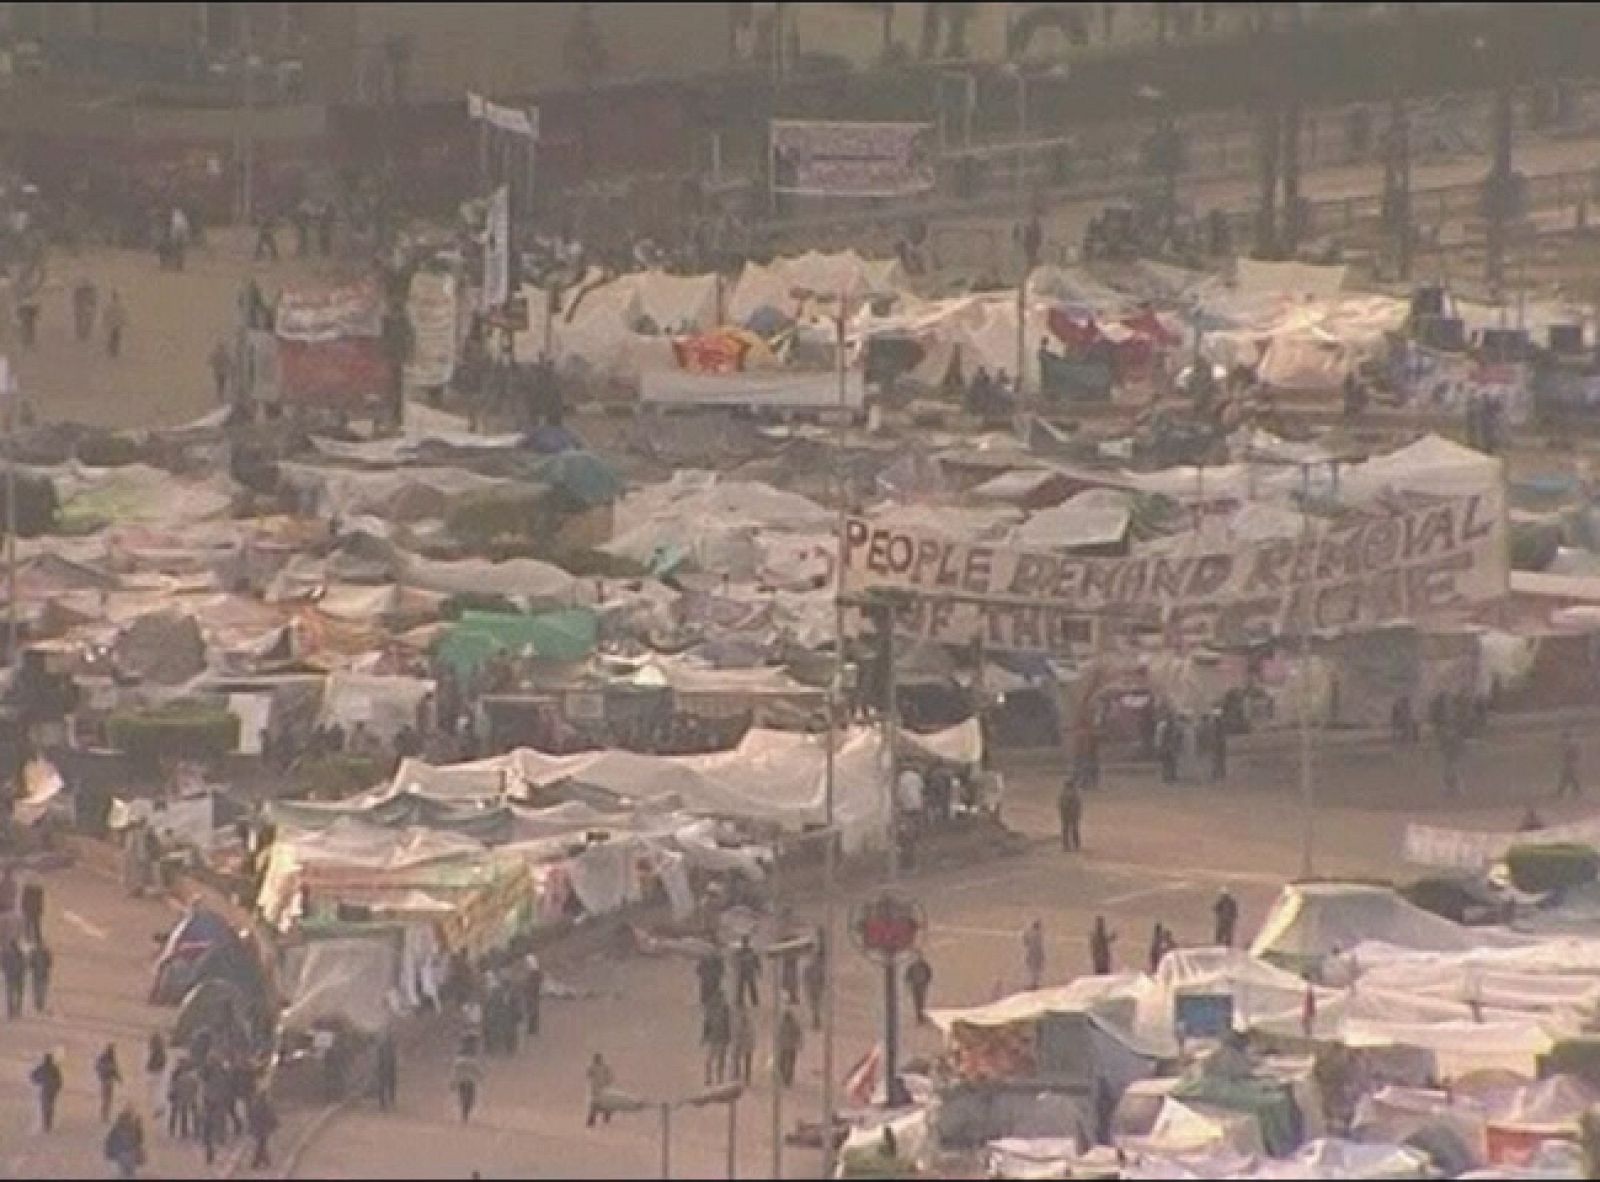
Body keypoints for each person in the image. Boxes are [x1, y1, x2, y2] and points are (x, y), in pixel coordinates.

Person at [105, 1104, 145, 1178]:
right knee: (129, 1173)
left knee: (125, 1172)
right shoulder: (133, 1126)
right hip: (130, 1153)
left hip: (122, 1154)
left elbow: (110, 1140)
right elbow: (140, 1139)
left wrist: (110, 1152)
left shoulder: (118, 1126)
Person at [702, 991, 731, 1086]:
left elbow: (728, 1024)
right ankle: (709, 1078)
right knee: (710, 1060)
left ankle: (719, 1079)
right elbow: (707, 1024)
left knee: (720, 1060)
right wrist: (704, 1037)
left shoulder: (725, 1009)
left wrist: (728, 1037)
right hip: (714, 1038)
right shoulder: (711, 1009)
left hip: (721, 1038)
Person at [451, 1038, 483, 1124]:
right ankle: (465, 1114)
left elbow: (455, 1073)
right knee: (470, 1099)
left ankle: (464, 1114)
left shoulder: (458, 1062)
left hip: (462, 1082)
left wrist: (453, 1082)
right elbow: (478, 1072)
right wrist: (481, 1079)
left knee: (463, 1098)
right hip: (469, 1082)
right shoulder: (472, 1062)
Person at [32, 1051, 63, 1132]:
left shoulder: (43, 1067)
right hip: (50, 1091)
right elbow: (59, 1080)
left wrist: (38, 1082)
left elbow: (33, 1076)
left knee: (45, 1107)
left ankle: (46, 1124)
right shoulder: (54, 1068)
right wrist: (56, 1088)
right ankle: (48, 1124)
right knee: (49, 1107)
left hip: (46, 1090)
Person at [168, 1059, 197, 1139]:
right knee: (175, 1112)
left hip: (183, 1095)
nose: (182, 1065)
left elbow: (194, 1087)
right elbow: (172, 1084)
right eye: (181, 1063)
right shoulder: (176, 1073)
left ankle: (182, 1131)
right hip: (177, 1095)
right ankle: (174, 1129)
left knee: (182, 1113)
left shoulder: (185, 1074)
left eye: (183, 1064)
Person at [247, 1089, 277, 1168]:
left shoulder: (255, 1106)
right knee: (261, 1145)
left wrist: (251, 1127)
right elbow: (271, 1117)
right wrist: (274, 1125)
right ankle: (261, 1162)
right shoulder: (266, 1106)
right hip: (263, 1129)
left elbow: (250, 1117)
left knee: (261, 1145)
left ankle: (259, 1162)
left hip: (258, 1128)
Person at [776, 1007, 804, 1088]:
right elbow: (778, 1034)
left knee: (790, 1064)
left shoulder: (794, 1024)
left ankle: (788, 1079)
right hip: (785, 1046)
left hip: (790, 1046)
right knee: (782, 1063)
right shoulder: (781, 1024)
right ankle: (785, 1077)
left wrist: (799, 1043)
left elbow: (799, 1034)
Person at [585, 1052, 614, 1127]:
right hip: (595, 1089)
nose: (597, 1060)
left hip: (603, 1088)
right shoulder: (592, 1066)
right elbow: (588, 1074)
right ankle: (591, 1120)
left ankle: (607, 1115)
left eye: (598, 1058)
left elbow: (610, 1076)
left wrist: (607, 1082)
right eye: (596, 1058)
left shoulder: (605, 1067)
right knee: (594, 1104)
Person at [97, 1043, 123, 1122]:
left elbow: (115, 1070)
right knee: (106, 1099)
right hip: (106, 1080)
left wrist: (119, 1078)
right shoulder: (105, 1057)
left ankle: (105, 1115)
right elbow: (99, 1067)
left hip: (108, 1081)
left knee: (108, 1099)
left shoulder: (110, 1058)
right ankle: (104, 1116)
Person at [905, 951, 933, 1025]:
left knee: (921, 1001)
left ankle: (921, 1016)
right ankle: (919, 1017)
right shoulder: (912, 966)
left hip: (922, 986)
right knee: (917, 1001)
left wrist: (926, 982)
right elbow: (908, 975)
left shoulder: (924, 965)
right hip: (915, 986)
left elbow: (929, 974)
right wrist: (909, 981)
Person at [730, 1003, 755, 1084]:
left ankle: (745, 1078)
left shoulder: (748, 1024)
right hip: (743, 1045)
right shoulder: (743, 1023)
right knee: (738, 1060)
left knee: (745, 1062)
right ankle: (738, 1077)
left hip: (746, 1045)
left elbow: (749, 1036)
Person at [144, 1033, 168, 1119]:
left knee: (153, 1092)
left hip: (154, 1074)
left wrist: (149, 1068)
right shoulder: (162, 1053)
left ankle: (158, 1108)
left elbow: (152, 1064)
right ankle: (159, 1107)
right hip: (158, 1073)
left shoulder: (155, 1053)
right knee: (157, 1091)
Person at [733, 936, 760, 1008]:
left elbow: (756, 961)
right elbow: (735, 961)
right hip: (743, 971)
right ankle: (739, 1002)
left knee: (751, 987)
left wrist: (759, 970)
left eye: (746, 942)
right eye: (744, 942)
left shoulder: (751, 951)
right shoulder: (740, 952)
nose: (745, 944)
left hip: (749, 971)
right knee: (741, 988)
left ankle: (754, 1002)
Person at [803, 947, 825, 1031]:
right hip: (814, 988)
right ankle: (816, 1020)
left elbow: (822, 979)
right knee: (815, 1005)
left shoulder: (812, 967)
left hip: (815, 988)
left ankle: (816, 1020)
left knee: (816, 1005)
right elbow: (806, 977)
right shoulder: (812, 967)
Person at [375, 1032, 398, 1111]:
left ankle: (384, 1103)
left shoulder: (383, 1046)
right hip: (387, 1067)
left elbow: (379, 1058)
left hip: (385, 1068)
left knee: (384, 1085)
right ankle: (387, 1102)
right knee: (388, 1084)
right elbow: (391, 1059)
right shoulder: (390, 1046)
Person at [1058, 781, 1083, 853]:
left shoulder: (1064, 795)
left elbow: (1061, 806)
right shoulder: (1076, 795)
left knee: (1067, 830)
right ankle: (1074, 845)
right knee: (1072, 830)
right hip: (1071, 815)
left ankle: (1068, 846)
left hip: (1068, 815)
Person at [3, 939, 26, 1017]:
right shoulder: (20, 953)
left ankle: (12, 1011)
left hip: (12, 976)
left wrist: (6, 972)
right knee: (17, 994)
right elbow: (23, 964)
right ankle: (16, 1010)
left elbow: (3, 964)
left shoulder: (8, 954)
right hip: (17, 977)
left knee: (11, 994)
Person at [24, 941, 48, 1013]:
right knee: (39, 989)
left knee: (40, 989)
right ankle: (39, 1003)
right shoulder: (43, 953)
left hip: (41, 974)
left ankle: (40, 1003)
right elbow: (30, 963)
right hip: (39, 974)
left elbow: (49, 962)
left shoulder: (44, 953)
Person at [523, 952, 543, 1037]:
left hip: (532, 993)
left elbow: (531, 985)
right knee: (533, 1009)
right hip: (534, 993)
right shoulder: (536, 973)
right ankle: (533, 1028)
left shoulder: (534, 974)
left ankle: (532, 1028)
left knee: (532, 1009)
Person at [1023, 919, 1046, 991]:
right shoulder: (1039, 935)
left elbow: (1026, 943)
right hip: (1038, 954)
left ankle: (1033, 984)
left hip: (1033, 954)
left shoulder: (1031, 934)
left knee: (1032, 969)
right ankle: (1035, 983)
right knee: (1037, 970)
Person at [73, 277, 98, 342]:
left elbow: (94, 300)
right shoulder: (79, 291)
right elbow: (76, 300)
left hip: (86, 308)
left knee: (87, 321)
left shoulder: (90, 291)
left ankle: (84, 334)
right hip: (82, 308)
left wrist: (92, 305)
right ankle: (81, 334)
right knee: (81, 322)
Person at [209, 339, 234, 404]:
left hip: (217, 372)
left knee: (219, 385)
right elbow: (230, 362)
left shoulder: (215, 353)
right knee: (223, 384)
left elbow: (209, 361)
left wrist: (214, 365)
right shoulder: (225, 354)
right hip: (223, 372)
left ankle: (220, 397)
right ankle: (221, 397)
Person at [19, 877, 43, 945]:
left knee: (29, 926)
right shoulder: (38, 889)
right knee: (35, 926)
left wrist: (22, 907)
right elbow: (40, 901)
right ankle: (37, 940)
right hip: (34, 909)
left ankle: (29, 940)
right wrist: (40, 909)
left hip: (29, 909)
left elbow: (23, 899)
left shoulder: (27, 889)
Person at [1558, 730, 1582, 798]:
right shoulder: (1571, 743)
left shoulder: (1570, 744)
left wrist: (1571, 761)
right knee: (1568, 777)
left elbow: (1572, 754)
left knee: (1568, 777)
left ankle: (1561, 791)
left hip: (1571, 762)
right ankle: (1561, 791)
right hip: (1570, 762)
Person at [104, 290, 127, 358]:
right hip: (117, 325)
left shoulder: (110, 305)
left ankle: (112, 350)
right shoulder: (120, 306)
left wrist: (105, 322)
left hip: (112, 324)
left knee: (112, 337)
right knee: (117, 337)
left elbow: (106, 315)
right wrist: (124, 322)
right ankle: (115, 350)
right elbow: (123, 315)